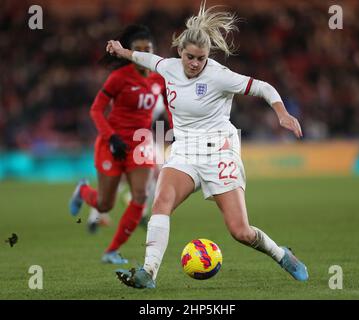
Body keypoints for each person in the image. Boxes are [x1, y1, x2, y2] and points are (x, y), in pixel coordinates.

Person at [107, 2, 308, 288]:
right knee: (161, 202)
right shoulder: (169, 67)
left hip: (219, 152)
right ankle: (148, 272)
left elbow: (263, 87)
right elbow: (144, 59)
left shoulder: (218, 75)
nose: (195, 64)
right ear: (180, 53)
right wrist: (121, 51)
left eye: (201, 58)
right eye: (190, 57)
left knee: (240, 231)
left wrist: (282, 113)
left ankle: (280, 254)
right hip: (184, 151)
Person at [69, 25, 169, 264]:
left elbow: (170, 108)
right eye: (138, 50)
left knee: (141, 195)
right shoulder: (119, 78)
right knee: (105, 205)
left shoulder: (160, 78)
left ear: (154, 51)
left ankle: (111, 251)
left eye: (148, 50)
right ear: (130, 52)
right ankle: (83, 190)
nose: (144, 54)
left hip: (141, 143)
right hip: (112, 142)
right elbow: (95, 110)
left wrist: (178, 131)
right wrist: (111, 137)